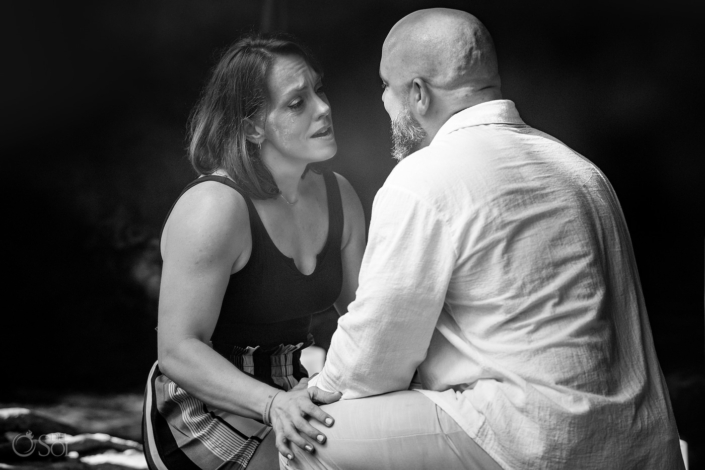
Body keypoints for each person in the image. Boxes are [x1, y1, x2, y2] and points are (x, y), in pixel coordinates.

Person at [286, 8, 685, 470]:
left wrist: (313, 387)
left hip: (535, 439)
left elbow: (374, 360)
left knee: (306, 435)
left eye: (385, 87)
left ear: (417, 93)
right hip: (639, 442)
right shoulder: (580, 171)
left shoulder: (423, 177)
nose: (384, 102)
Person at [142, 33, 366, 470]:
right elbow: (177, 350)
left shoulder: (339, 195)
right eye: (297, 102)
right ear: (251, 127)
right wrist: (272, 404)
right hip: (201, 405)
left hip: (292, 389)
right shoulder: (214, 207)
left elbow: (366, 317)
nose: (323, 108)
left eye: (318, 90)